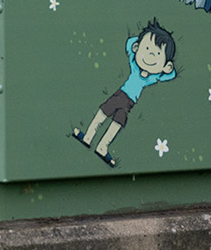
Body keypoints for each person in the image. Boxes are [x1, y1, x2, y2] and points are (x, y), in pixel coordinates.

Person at [73, 19, 177, 167]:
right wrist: (137, 45)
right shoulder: (135, 65)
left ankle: (103, 147)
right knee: (103, 113)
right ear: (138, 47)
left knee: (118, 123)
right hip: (120, 95)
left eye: (157, 53)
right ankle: (88, 137)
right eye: (147, 49)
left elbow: (170, 74)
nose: (150, 56)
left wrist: (167, 67)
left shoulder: (152, 77)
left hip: (129, 103)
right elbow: (129, 44)